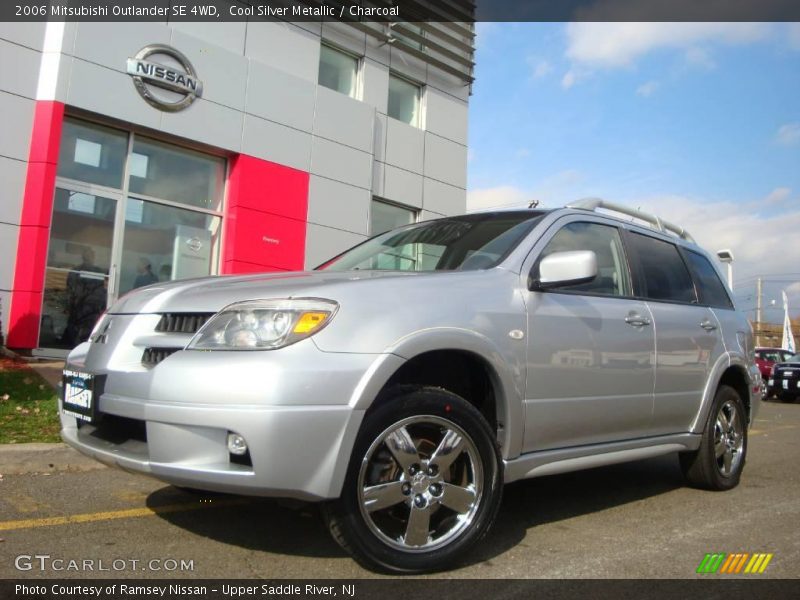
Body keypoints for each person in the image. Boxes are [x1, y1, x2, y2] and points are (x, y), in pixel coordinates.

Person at [62, 247, 106, 347]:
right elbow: (71, 289)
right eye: (90, 255)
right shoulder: (76, 271)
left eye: (92, 255)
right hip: (82, 308)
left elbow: (100, 290)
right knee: (76, 331)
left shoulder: (96, 271)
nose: (91, 257)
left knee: (84, 333)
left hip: (89, 309)